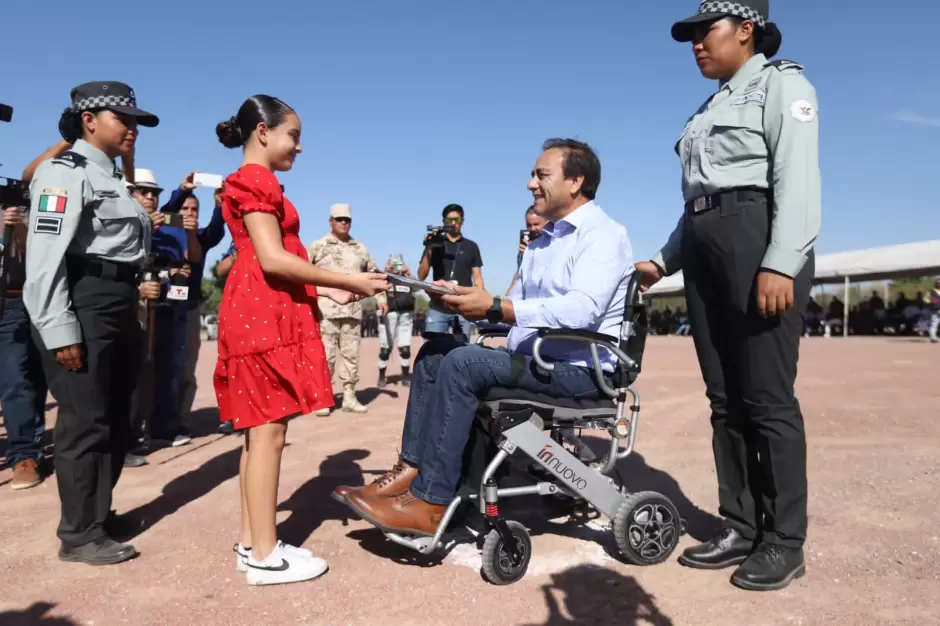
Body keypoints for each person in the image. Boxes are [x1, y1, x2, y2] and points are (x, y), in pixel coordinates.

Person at [336, 138, 634, 537]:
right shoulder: (542, 242)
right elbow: (515, 309)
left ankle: (431, 501)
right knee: (436, 350)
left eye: (541, 174)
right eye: (532, 174)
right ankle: (411, 471)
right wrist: (461, 302)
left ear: (575, 182)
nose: (531, 183)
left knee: (464, 362)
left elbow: (581, 311)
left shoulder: (603, 235)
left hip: (580, 370)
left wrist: (494, 308)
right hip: (540, 361)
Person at [634, 0, 821, 592]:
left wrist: (781, 262)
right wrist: (663, 260)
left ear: (746, 29)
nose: (695, 43)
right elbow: (699, 202)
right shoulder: (707, 109)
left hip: (756, 242)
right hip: (706, 252)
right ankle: (740, 524)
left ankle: (784, 541)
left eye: (704, 31)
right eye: (690, 34)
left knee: (766, 399)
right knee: (725, 400)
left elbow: (796, 178)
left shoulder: (781, 86)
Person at [214, 94, 387, 585]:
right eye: (293, 135)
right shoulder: (255, 179)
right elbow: (272, 258)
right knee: (269, 432)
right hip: (264, 308)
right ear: (263, 132)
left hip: (260, 303)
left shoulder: (252, 180)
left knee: (258, 433)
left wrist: (335, 284)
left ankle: (253, 543)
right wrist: (352, 281)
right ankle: (266, 556)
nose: (299, 146)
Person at [24, 81, 160, 565]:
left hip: (118, 299)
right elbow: (42, 261)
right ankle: (78, 533)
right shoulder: (63, 174)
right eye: (124, 120)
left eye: (135, 123)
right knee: (84, 421)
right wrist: (59, 330)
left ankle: (97, 514)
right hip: (83, 299)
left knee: (119, 416)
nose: (132, 130)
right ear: (89, 120)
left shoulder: (109, 178)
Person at [306, 204, 386, 415]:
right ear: (330, 221)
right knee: (326, 356)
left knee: (351, 355)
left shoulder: (360, 247)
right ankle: (324, 398)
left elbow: (374, 273)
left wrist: (381, 296)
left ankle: (349, 396)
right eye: (339, 219)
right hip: (326, 312)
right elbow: (303, 273)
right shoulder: (317, 246)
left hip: (352, 311)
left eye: (347, 220)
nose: (343, 223)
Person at [0, 205, 48, 490]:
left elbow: (39, 256)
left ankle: (24, 455)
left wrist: (17, 226)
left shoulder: (19, 206)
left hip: (14, 302)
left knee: (18, 378)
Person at [417, 204, 484, 339]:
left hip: (463, 308)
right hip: (438, 306)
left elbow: (477, 278)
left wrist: (479, 301)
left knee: (463, 351)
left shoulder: (471, 246)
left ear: (463, 221)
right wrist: (429, 248)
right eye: (449, 220)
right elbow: (421, 276)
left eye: (457, 220)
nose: (453, 223)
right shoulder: (435, 244)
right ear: (443, 222)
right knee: (432, 350)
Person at [377, 254, 416, 388]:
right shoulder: (385, 277)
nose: (396, 268)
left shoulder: (406, 279)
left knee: (405, 348)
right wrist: (385, 271)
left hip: (405, 315)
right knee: (385, 348)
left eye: (399, 265)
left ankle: (405, 376)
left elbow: (418, 288)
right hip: (389, 315)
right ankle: (382, 376)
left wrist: (409, 273)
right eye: (393, 265)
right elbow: (376, 285)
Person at [506, 204, 548, 296]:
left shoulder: (553, 243)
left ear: (546, 222)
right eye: (529, 225)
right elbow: (520, 273)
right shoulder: (526, 246)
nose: (532, 229)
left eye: (536, 224)